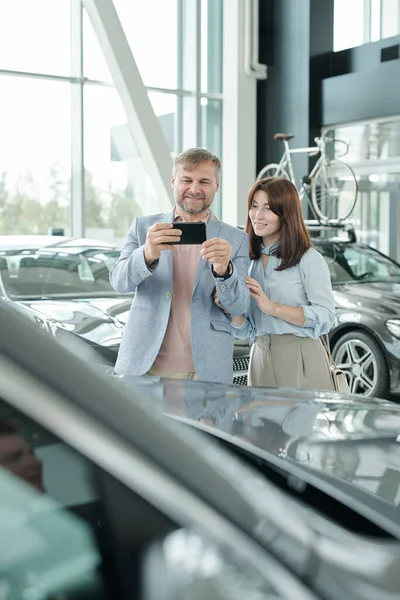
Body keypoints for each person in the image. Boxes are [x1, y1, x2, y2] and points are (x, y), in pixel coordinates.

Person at [110, 147, 250, 383]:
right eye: (187, 179)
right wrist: (147, 254)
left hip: (206, 370)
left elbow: (239, 306)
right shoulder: (143, 228)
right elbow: (118, 282)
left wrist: (225, 272)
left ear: (216, 186)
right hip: (146, 365)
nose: (195, 189)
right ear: (174, 181)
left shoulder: (236, 239)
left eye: (204, 181)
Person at [216, 176, 335, 390]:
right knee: (259, 423)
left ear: (285, 213)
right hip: (259, 357)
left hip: (301, 357)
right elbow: (248, 331)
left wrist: (272, 308)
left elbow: (325, 316)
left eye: (267, 208)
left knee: (301, 424)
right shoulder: (246, 262)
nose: (257, 216)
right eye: (254, 206)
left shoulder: (308, 259)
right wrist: (231, 310)